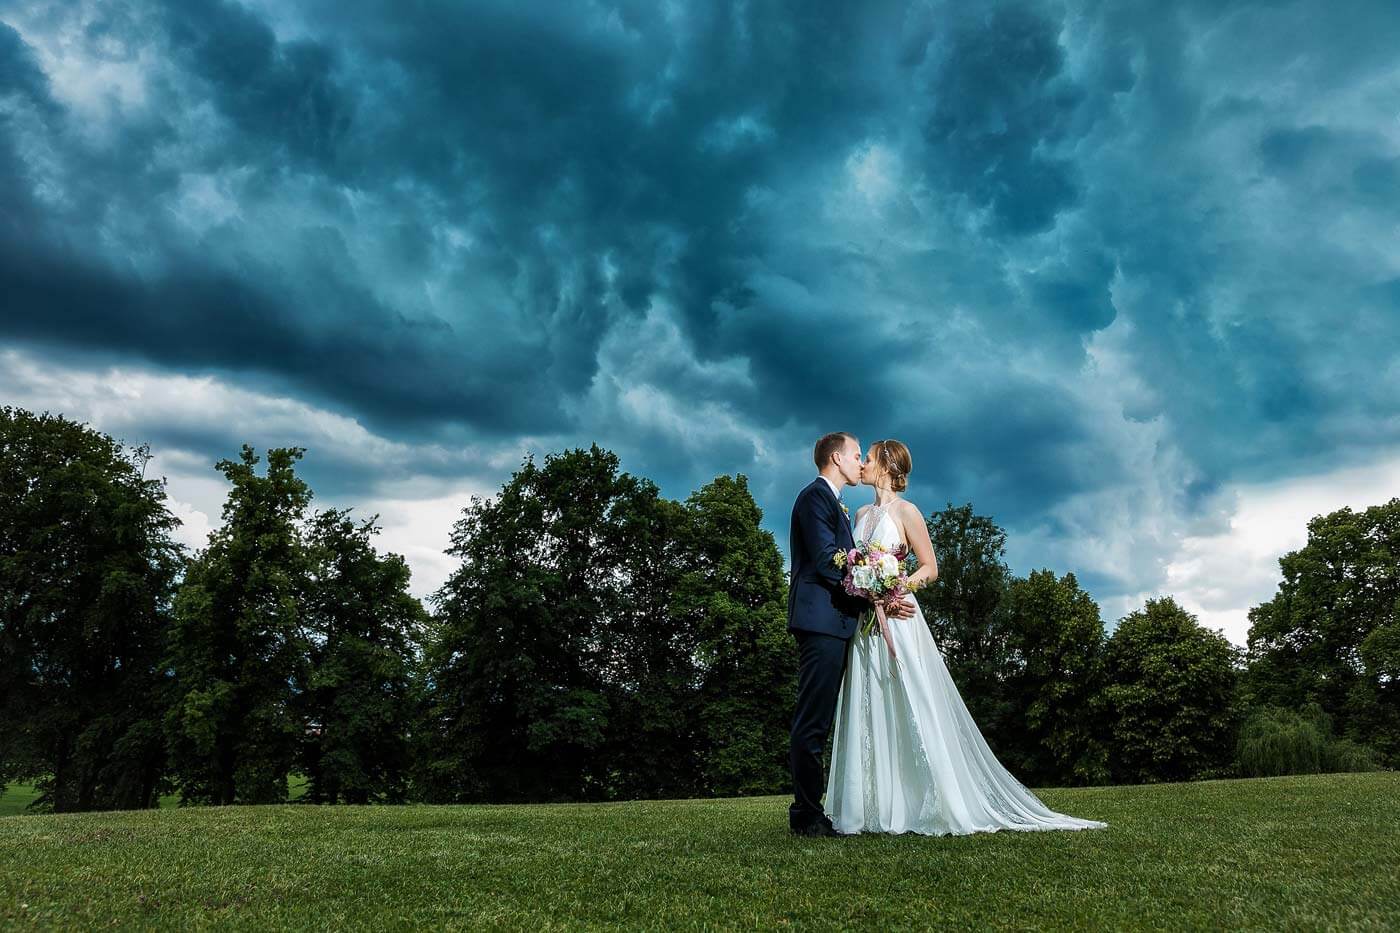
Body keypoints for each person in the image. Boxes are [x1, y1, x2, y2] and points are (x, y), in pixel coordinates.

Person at [825, 438, 1107, 836]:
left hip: (899, 615)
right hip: (867, 624)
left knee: (914, 696)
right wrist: (864, 587)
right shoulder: (859, 512)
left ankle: (936, 800)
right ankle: (872, 807)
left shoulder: (908, 512)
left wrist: (895, 589)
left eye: (868, 459)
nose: (864, 465)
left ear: (887, 465)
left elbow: (930, 567)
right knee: (870, 696)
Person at [786, 431, 915, 837]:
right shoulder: (815, 498)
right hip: (820, 622)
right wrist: (878, 594)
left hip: (839, 624)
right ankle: (806, 814)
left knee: (822, 719)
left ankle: (815, 809)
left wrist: (881, 596)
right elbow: (827, 561)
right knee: (812, 721)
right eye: (857, 455)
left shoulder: (838, 506)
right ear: (837, 458)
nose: (861, 462)